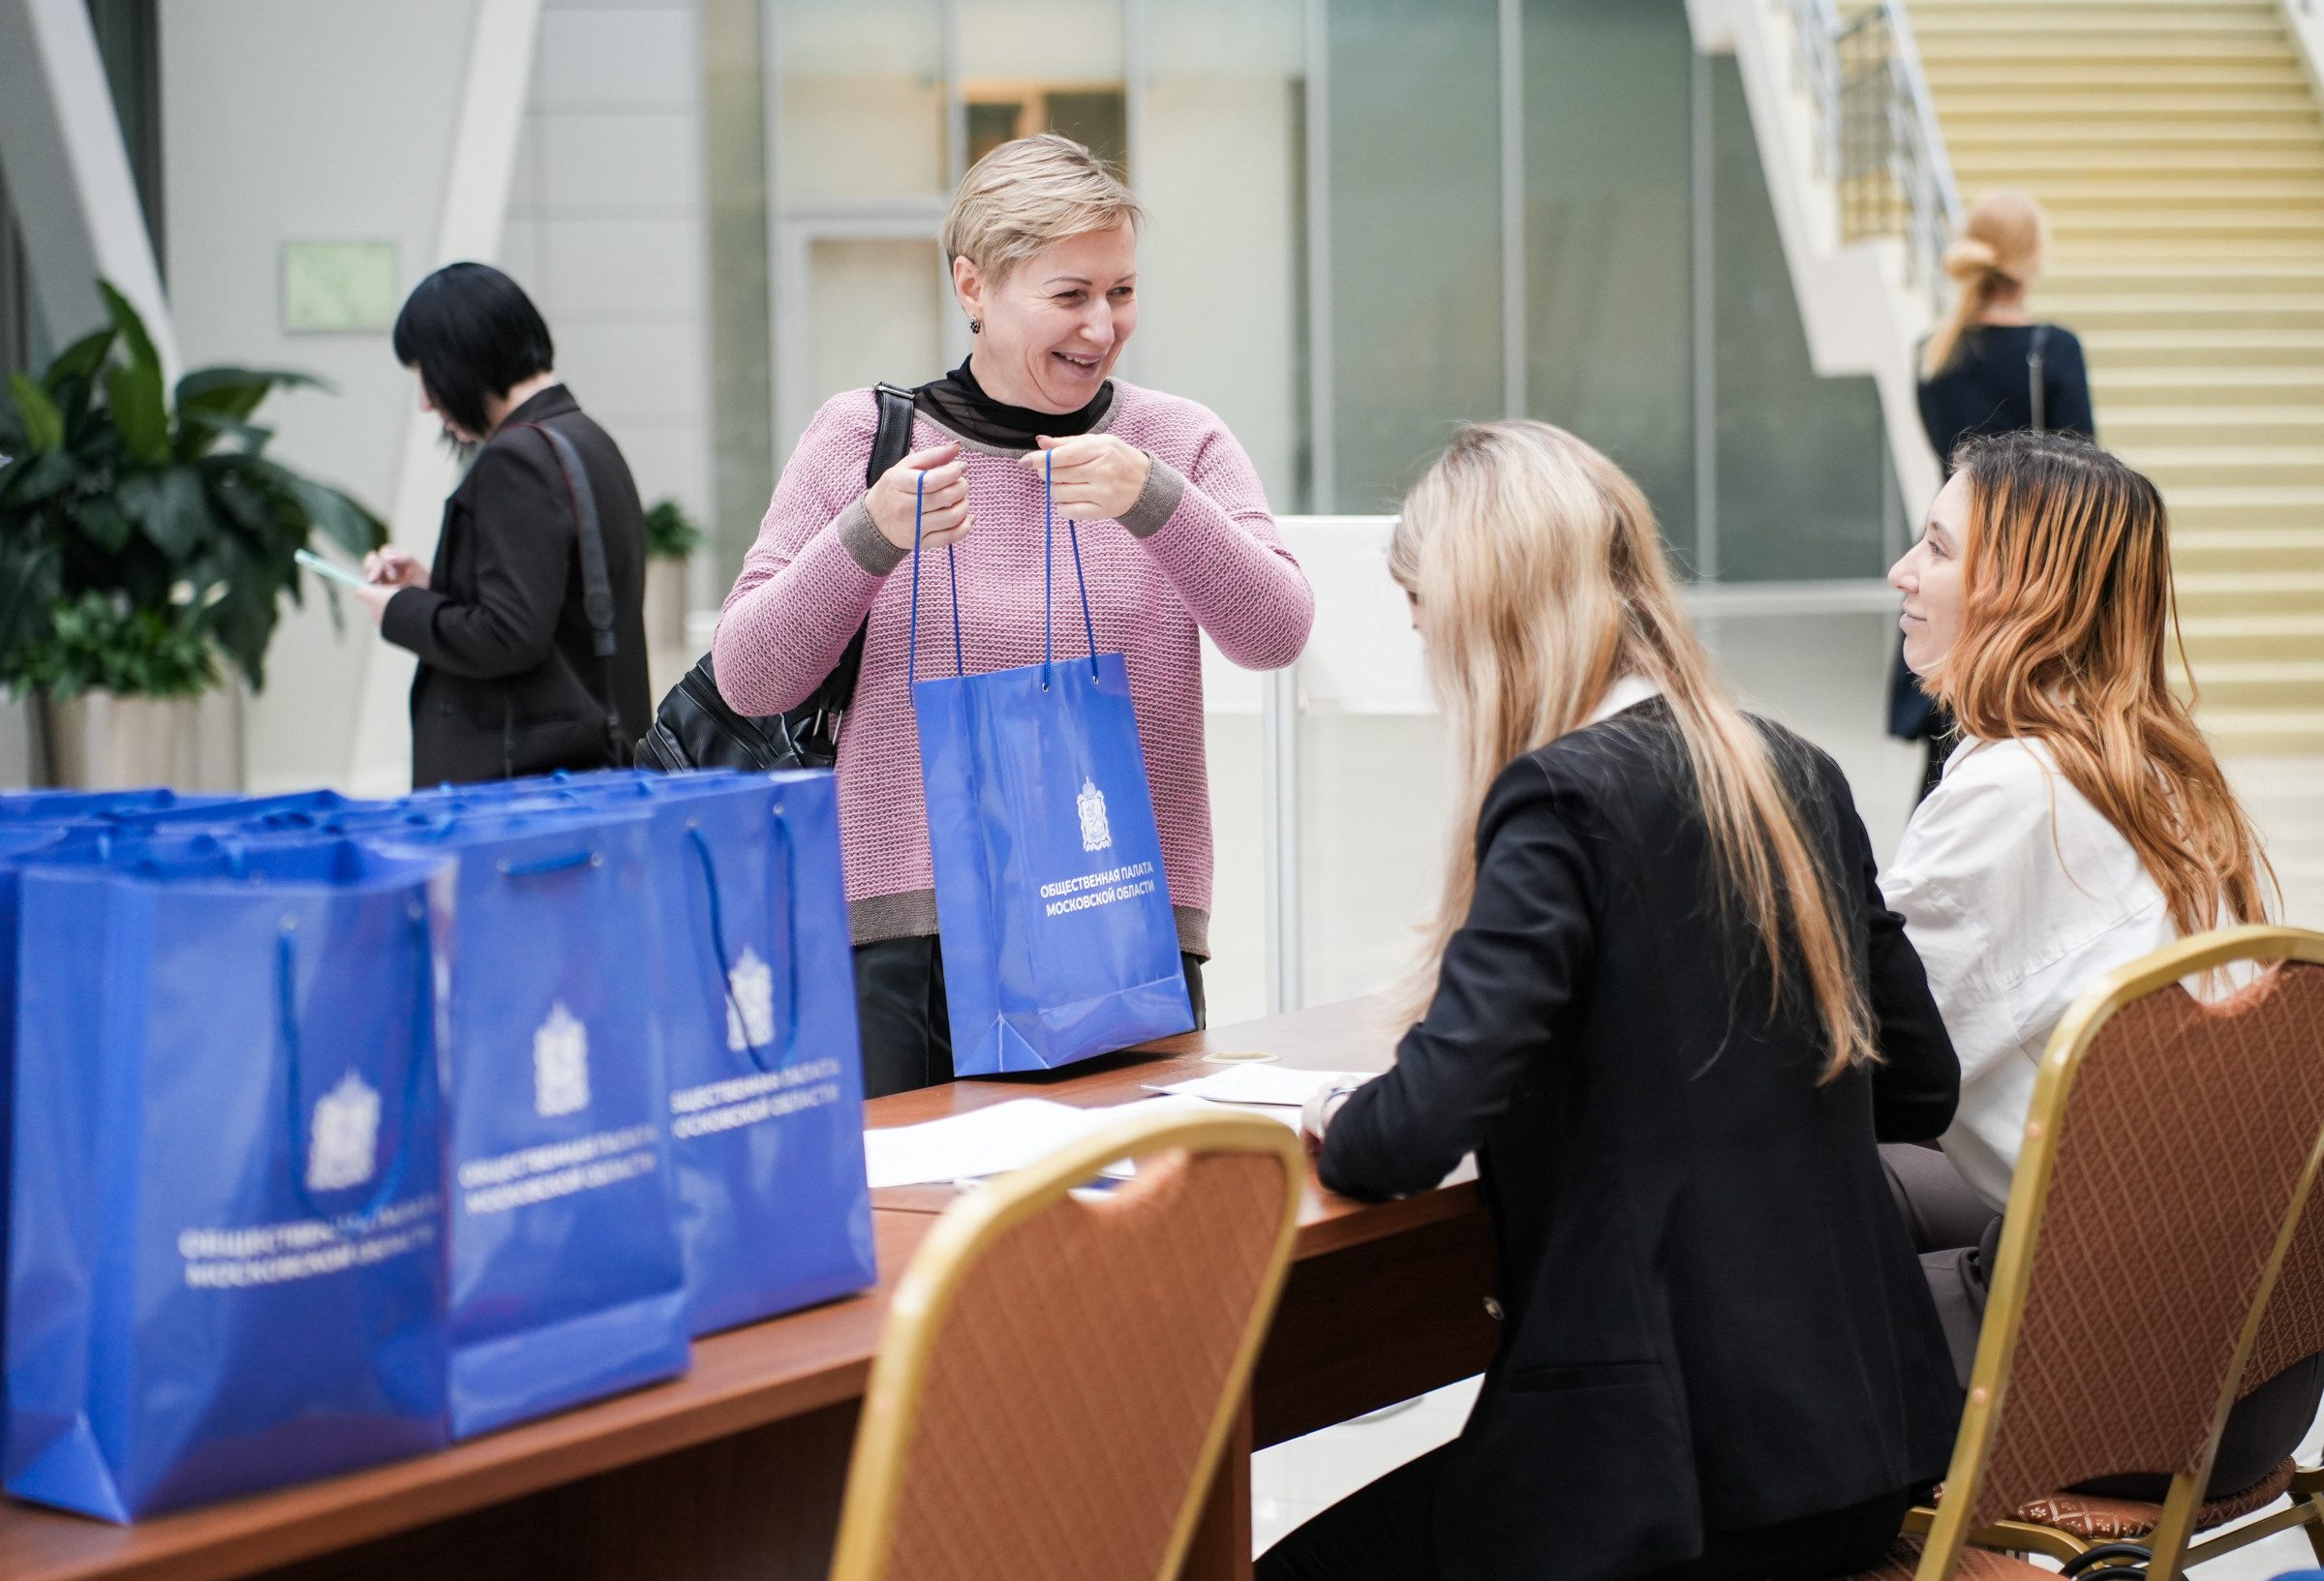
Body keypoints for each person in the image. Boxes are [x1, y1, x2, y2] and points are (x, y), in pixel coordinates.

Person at [1263, 422, 1961, 1581]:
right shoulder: (1792, 766)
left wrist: (1348, 1111)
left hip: (1672, 1481)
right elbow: (1919, 1083)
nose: (1421, 634)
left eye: (1422, 602)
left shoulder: (1558, 799)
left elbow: (1415, 1130)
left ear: (1488, 609)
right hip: (1857, 1452)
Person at [712, 135, 1313, 1098]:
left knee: (1125, 1234)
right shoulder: (865, 440)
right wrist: (871, 533)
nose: (1103, 324)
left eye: (1121, 291)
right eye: (1070, 294)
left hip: (1121, 921)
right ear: (974, 286)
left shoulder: (1177, 444)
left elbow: (1277, 631)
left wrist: (1153, 499)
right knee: (925, 1238)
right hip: (907, 938)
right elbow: (749, 673)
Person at [1881, 428, 2315, 1499]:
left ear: (2026, 596)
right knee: (1868, 1187)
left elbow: (1844, 1047)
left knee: (1711, 1329)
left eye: (1936, 548)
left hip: (2116, 1401)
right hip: (2259, 1367)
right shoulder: (2161, 770)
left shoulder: (2007, 796)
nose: (1903, 570)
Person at [356, 262, 651, 785]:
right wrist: (433, 587)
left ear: (463, 358)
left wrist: (399, 610)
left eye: (425, 374)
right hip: (589, 770)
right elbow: (557, 605)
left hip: (522, 789)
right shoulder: (585, 439)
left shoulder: (516, 459)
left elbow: (510, 635)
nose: (425, 402)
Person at [1892, 190, 2094, 803]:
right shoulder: (2051, 348)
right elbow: (2084, 472)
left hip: (1948, 555)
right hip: (2023, 564)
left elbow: (1946, 459)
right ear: (2030, 258)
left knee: (1944, 750)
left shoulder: (1932, 351)